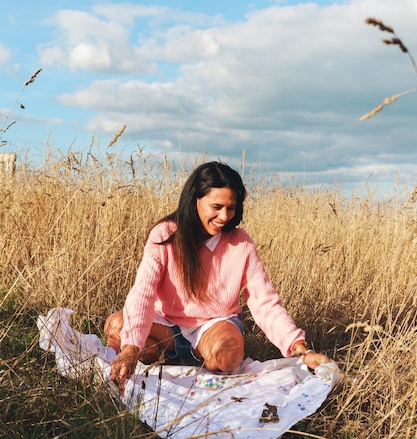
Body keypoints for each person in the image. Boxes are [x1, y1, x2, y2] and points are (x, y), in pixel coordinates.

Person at [106, 161, 334, 390]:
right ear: (195, 200)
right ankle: (177, 360)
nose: (224, 216)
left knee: (228, 356)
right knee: (117, 328)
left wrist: (300, 349)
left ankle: (183, 362)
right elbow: (143, 291)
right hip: (166, 324)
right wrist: (131, 347)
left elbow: (265, 301)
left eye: (231, 208)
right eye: (216, 207)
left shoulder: (240, 242)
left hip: (213, 325)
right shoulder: (165, 235)